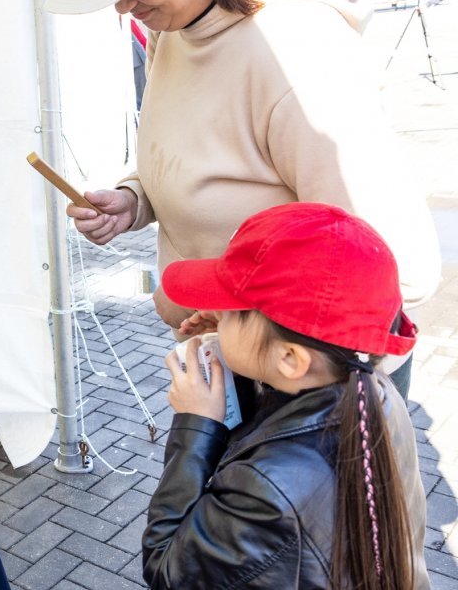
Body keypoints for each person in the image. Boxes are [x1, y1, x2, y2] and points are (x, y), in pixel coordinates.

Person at [45, 0, 439, 399]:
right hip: (233, 354)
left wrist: (275, 354)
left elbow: (386, 259)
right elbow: (200, 156)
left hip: (303, 380)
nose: (120, 4)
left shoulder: (296, 50)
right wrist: (137, 198)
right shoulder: (174, 32)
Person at [142, 202, 430, 589]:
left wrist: (197, 425)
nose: (217, 311)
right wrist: (242, 351)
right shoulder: (370, 393)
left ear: (291, 358)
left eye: (234, 311)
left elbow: (169, 570)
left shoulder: (267, 488)